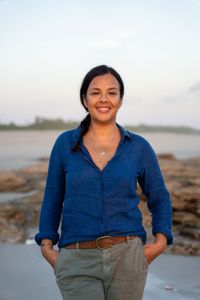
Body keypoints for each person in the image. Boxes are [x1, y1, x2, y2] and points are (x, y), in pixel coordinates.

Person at [35, 65, 173, 300]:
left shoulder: (139, 147)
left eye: (112, 92)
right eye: (95, 92)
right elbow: (53, 197)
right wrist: (47, 246)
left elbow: (159, 197)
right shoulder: (65, 144)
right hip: (76, 259)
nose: (104, 99)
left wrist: (160, 241)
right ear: (84, 99)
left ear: (120, 99)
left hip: (128, 257)